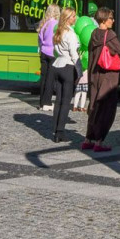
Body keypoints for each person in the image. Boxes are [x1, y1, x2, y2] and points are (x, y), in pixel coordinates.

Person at [84, 7, 120, 152]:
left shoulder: (94, 34)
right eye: (111, 18)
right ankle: (99, 142)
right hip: (108, 77)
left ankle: (88, 139)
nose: (113, 20)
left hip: (94, 75)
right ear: (104, 20)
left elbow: (90, 54)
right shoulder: (110, 35)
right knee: (106, 109)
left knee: (94, 106)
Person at [49, 8, 81, 142]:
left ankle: (56, 129)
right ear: (67, 18)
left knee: (58, 100)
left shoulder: (58, 31)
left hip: (58, 65)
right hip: (68, 66)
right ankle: (60, 132)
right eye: (73, 16)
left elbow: (55, 50)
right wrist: (79, 70)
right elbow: (74, 54)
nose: (75, 18)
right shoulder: (70, 34)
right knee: (66, 102)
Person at [36, 3, 61, 112]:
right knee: (50, 80)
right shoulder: (56, 24)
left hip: (43, 53)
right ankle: (47, 103)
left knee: (44, 78)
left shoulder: (44, 23)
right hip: (52, 53)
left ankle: (41, 103)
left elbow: (40, 39)